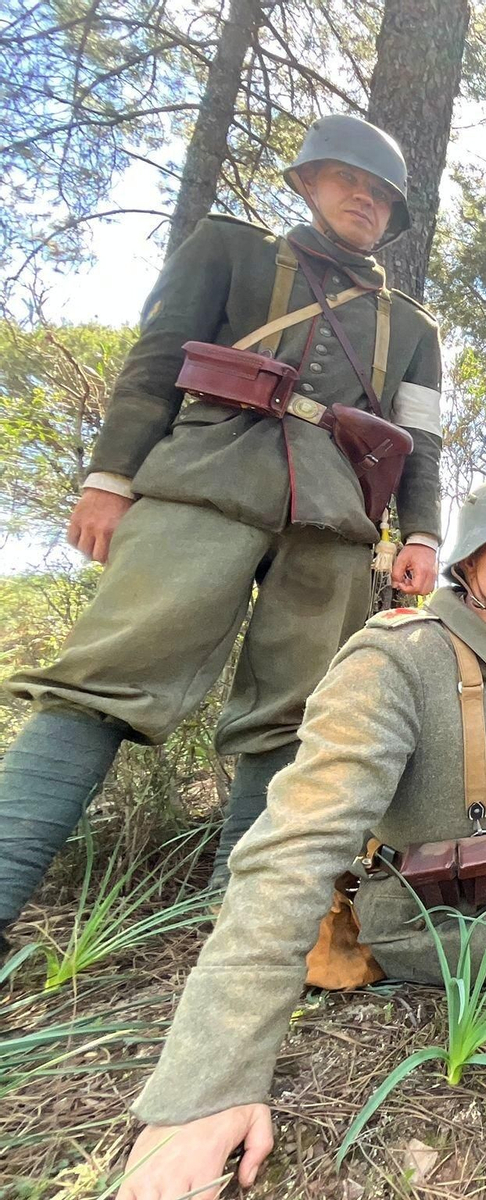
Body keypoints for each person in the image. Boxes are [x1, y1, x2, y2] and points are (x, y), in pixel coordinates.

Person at [113, 474, 486, 1200]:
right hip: (442, 905)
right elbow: (297, 843)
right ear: (467, 562)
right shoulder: (397, 659)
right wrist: (206, 1087)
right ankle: (420, 958)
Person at [0, 114, 446, 935]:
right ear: (308, 182)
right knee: (101, 682)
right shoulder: (229, 250)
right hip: (202, 482)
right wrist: (109, 478)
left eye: (381, 194)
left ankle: (239, 925)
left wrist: (420, 534)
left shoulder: (414, 328)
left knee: (296, 715)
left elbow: (420, 441)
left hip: (333, 519)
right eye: (348, 180)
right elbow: (154, 364)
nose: (364, 199)